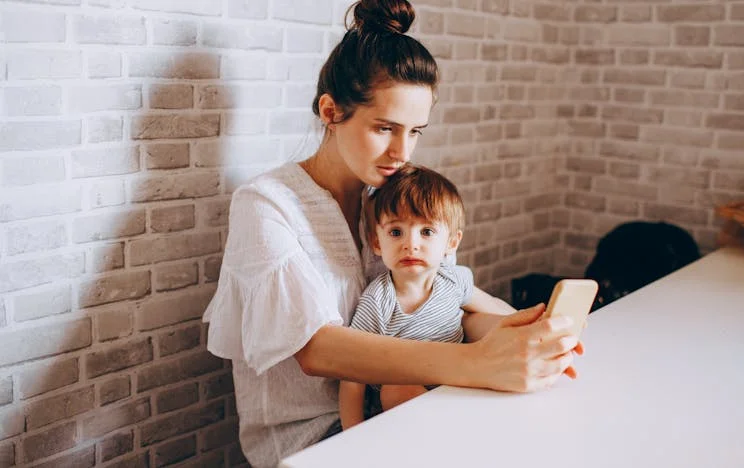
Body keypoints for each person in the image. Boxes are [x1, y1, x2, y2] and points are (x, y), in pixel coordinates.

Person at [202, 0, 582, 466]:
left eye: (416, 131)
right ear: (330, 110)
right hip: (319, 438)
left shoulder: (391, 202)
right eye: (385, 128)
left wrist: (516, 333)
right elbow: (317, 349)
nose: (402, 151)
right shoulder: (265, 204)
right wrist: (479, 363)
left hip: (410, 408)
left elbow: (449, 301)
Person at [339, 164, 521, 429]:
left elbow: (492, 307)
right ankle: (449, 432)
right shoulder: (378, 300)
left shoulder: (452, 279)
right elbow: (351, 376)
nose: (410, 244)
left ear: (451, 243)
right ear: (377, 242)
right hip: (399, 404)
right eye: (396, 232)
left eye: (426, 232)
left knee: (494, 342)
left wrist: (532, 321)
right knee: (395, 388)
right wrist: (351, 433)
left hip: (454, 382)